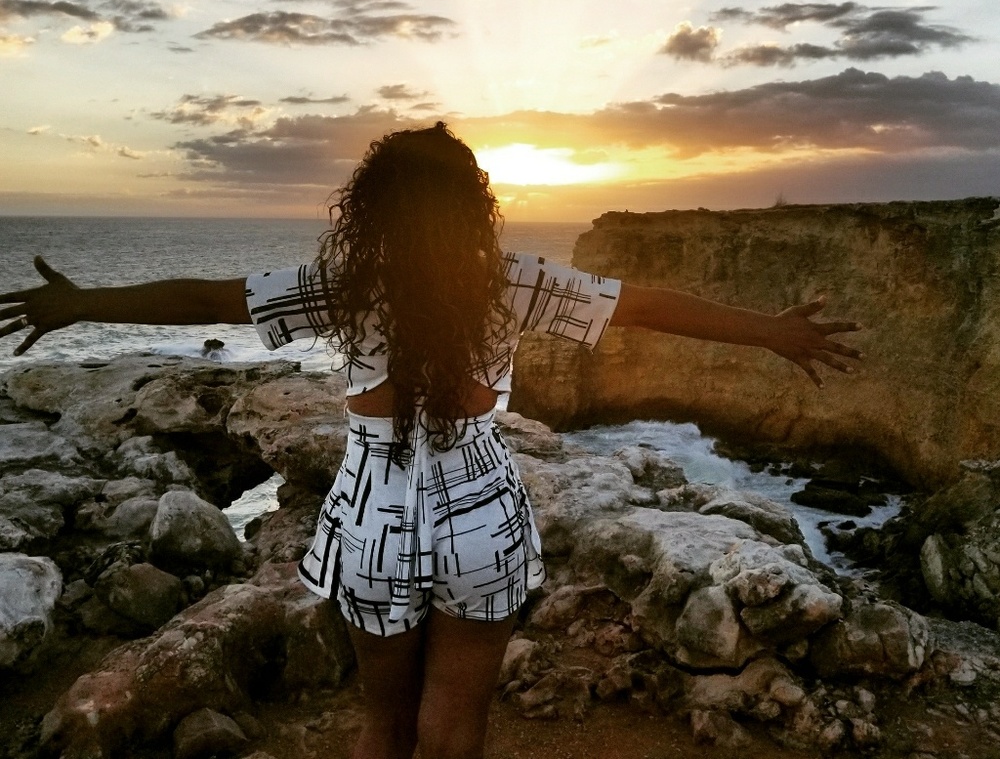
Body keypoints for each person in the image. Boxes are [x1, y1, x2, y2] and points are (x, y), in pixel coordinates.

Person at [0, 122, 861, 759]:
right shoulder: (509, 283)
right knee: (453, 727)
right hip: (482, 517)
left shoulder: (343, 287)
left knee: (384, 724)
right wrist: (770, 330)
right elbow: (643, 305)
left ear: (374, 208)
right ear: (468, 207)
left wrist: (81, 303)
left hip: (372, 520)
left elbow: (204, 298)